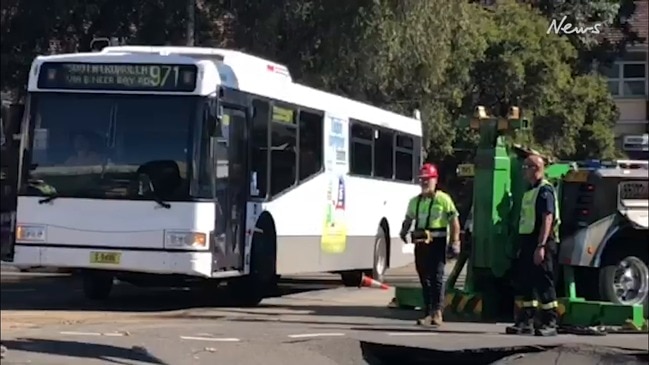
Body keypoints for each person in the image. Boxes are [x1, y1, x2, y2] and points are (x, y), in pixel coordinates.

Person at [399, 163, 461, 327]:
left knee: (437, 278)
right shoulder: (415, 201)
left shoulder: (443, 199)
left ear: (435, 180)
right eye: (422, 180)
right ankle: (428, 311)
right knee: (424, 278)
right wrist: (403, 231)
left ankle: (437, 312)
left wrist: (455, 242)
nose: (425, 183)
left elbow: (454, 221)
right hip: (421, 244)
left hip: (437, 243)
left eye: (428, 179)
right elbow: (408, 219)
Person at [506, 154, 561, 337]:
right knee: (526, 283)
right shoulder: (530, 190)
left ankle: (550, 322)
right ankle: (526, 322)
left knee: (544, 283)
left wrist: (541, 246)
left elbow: (548, 218)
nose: (523, 172)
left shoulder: (545, 191)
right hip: (529, 241)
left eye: (526, 168)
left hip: (541, 242)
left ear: (535, 168)